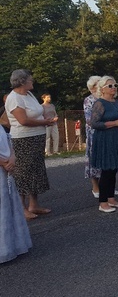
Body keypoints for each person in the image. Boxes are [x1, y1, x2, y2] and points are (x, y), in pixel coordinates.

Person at [6, 69, 55, 220]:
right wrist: (44, 122)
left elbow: (37, 111)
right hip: (23, 139)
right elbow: (23, 121)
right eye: (30, 80)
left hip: (36, 138)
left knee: (35, 171)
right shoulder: (14, 98)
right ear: (22, 82)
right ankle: (21, 207)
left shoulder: (29, 94)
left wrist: (46, 117)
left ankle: (34, 204)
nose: (32, 81)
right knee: (23, 172)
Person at [89, 76, 118, 213]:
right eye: (110, 86)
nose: (114, 88)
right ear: (102, 89)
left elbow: (117, 117)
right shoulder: (100, 103)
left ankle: (111, 197)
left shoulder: (115, 102)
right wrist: (114, 123)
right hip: (106, 139)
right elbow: (94, 123)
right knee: (106, 170)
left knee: (113, 169)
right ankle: (103, 202)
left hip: (117, 137)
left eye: (115, 85)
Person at [0, 128, 32, 262]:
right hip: (2, 165)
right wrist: (3, 162)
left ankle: (11, 243)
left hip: (6, 166)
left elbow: (8, 140)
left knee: (7, 206)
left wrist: (12, 158)